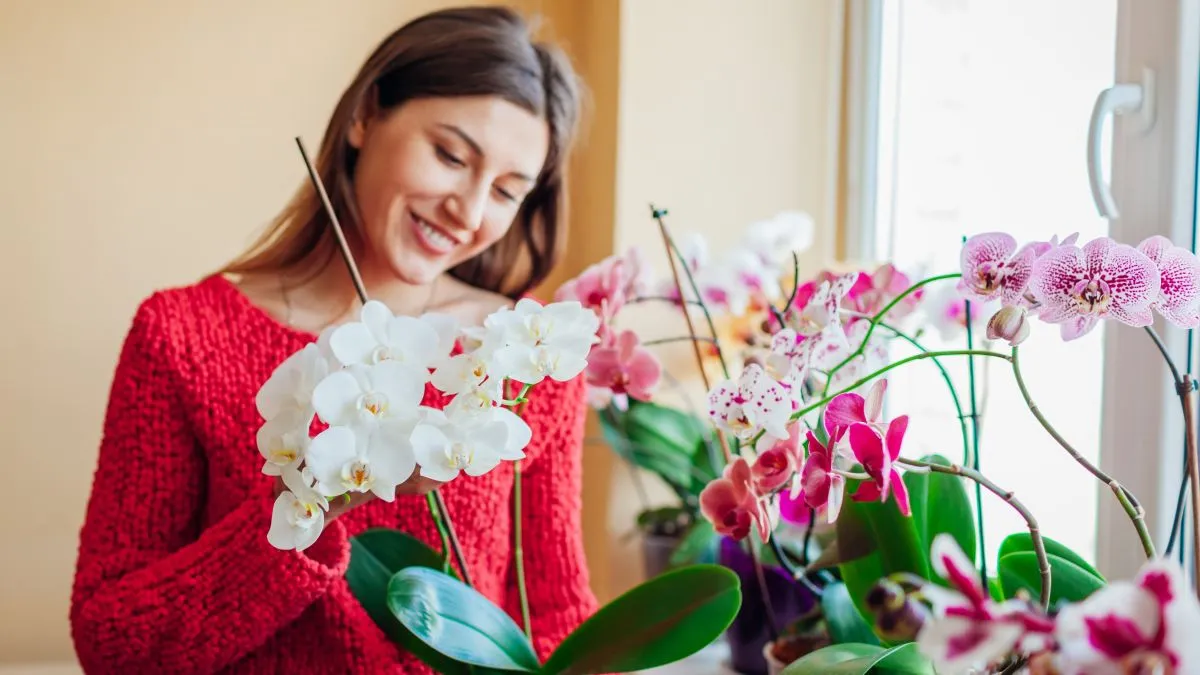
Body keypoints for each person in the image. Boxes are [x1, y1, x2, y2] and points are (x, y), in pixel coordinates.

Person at [69, 6, 599, 673]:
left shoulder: (525, 355)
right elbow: (110, 641)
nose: (468, 212)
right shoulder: (182, 335)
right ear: (365, 116)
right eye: (450, 155)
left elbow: (558, 622)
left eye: (506, 191)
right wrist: (302, 512)